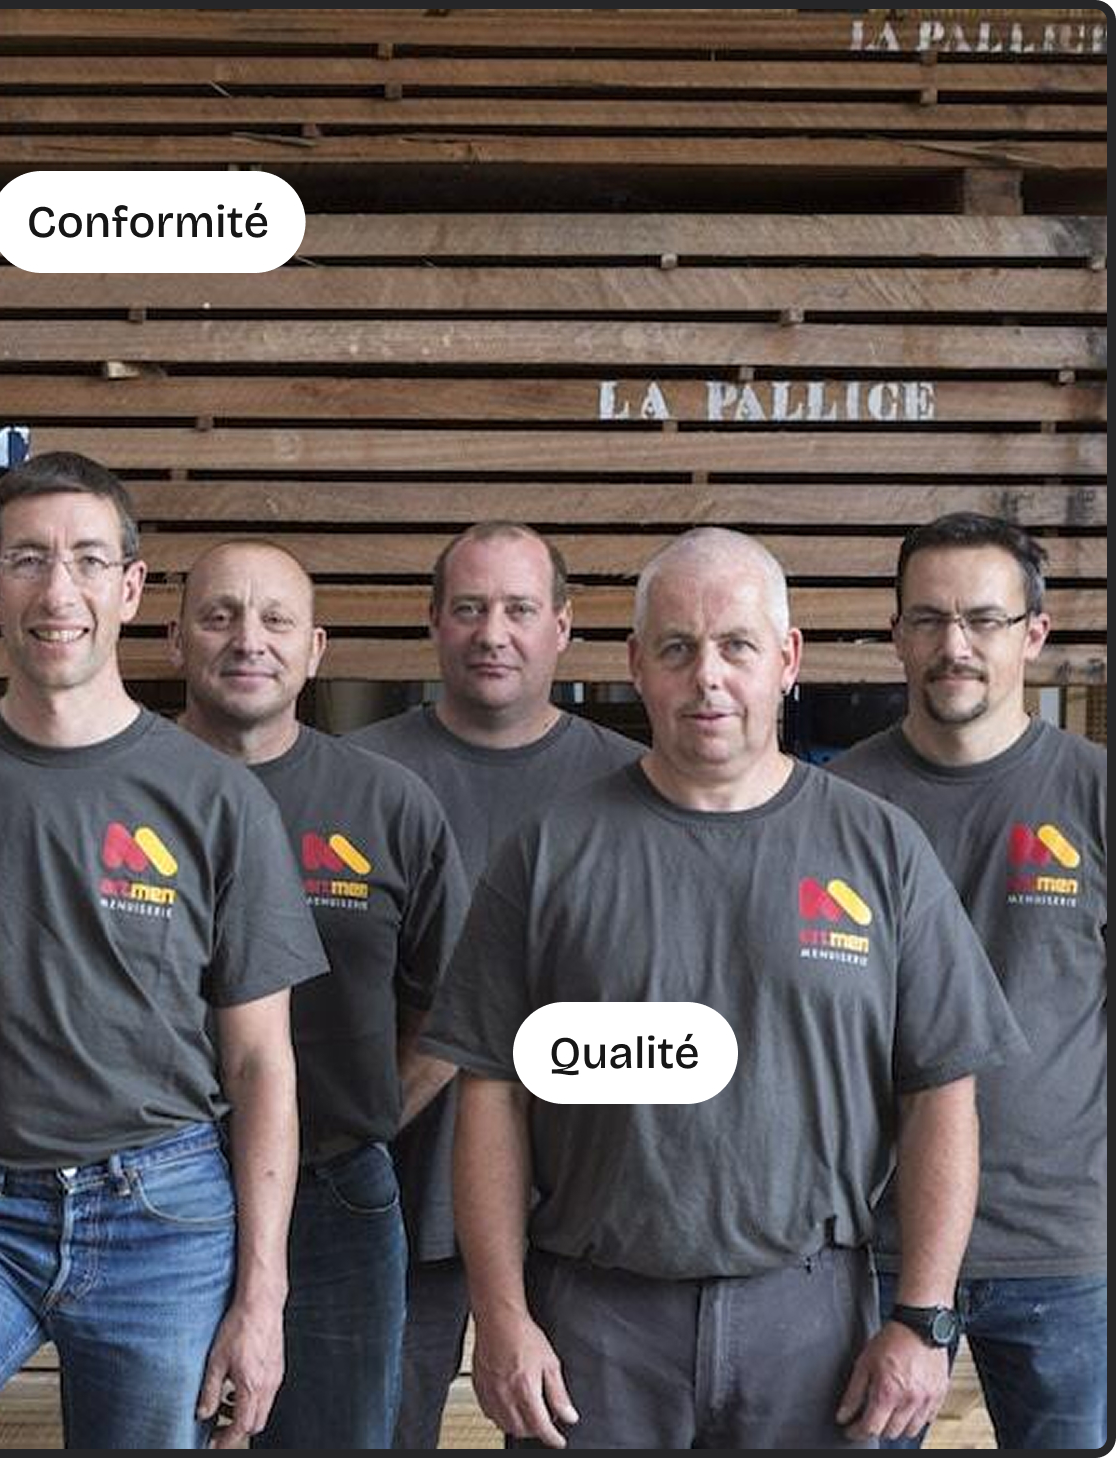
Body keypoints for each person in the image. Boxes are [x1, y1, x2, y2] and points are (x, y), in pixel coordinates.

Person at [423, 527, 1027, 1449]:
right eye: (677, 648)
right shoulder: (548, 853)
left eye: (737, 646)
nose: (707, 677)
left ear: (787, 660)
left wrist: (924, 1315)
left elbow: (942, 1091)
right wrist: (501, 1314)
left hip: (810, 1323)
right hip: (593, 1324)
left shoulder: (880, 849)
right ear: (636, 665)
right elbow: (491, 1096)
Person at [0, 452, 326, 1450]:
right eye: (29, 560)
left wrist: (264, 1296)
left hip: (164, 1218)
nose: (58, 591)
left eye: (88, 559)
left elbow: (262, 1063)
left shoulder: (217, 800)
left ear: (130, 588)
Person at [169, 540, 469, 1448]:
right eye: (219, 616)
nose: (247, 640)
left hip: (336, 1196)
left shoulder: (387, 803)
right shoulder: (118, 789)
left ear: (315, 649)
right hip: (146, 1192)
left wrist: (369, 1116)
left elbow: (453, 1007)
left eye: (276, 620)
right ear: (176, 639)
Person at [346, 522, 640, 1447]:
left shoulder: (630, 785)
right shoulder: (359, 776)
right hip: (393, 1207)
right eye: (469, 608)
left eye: (518, 609)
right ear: (433, 620)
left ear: (563, 626)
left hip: (576, 1218)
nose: (492, 633)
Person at [833, 512, 1106, 1450]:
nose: (955, 645)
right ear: (898, 634)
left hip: (1066, 1250)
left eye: (984, 620)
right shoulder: (837, 807)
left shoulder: (1095, 793)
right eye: (930, 619)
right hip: (872, 1246)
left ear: (1034, 633)